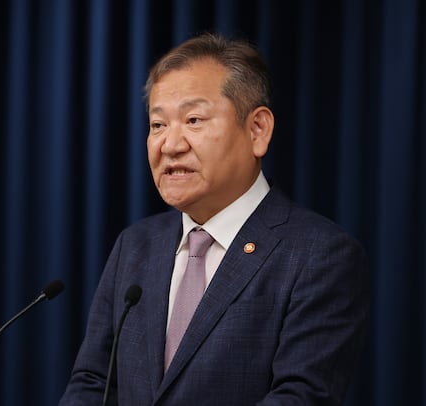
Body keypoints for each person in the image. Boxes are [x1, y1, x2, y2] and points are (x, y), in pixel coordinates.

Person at [59, 32, 369, 405]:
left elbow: (300, 396)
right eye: (158, 125)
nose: (170, 145)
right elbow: (93, 383)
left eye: (193, 119)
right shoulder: (136, 245)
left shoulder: (319, 254)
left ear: (257, 130)